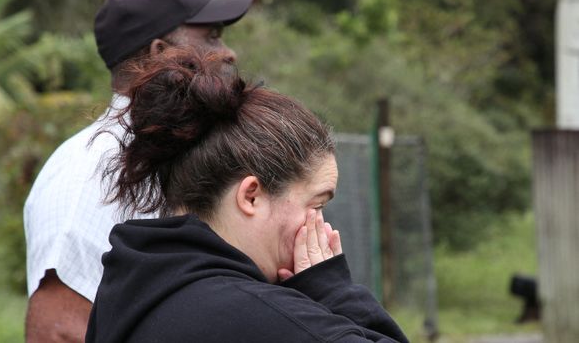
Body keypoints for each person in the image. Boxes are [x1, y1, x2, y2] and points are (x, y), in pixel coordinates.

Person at [85, 48, 409, 343]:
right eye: (317, 205)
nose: (323, 230)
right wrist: (334, 291)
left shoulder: (127, 290)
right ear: (251, 196)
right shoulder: (262, 317)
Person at [24, 0, 253, 342]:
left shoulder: (179, 149)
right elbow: (59, 331)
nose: (229, 52)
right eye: (211, 35)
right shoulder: (90, 174)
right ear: (159, 54)